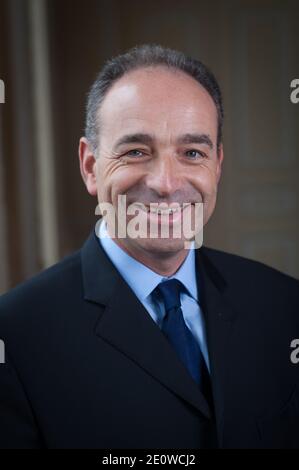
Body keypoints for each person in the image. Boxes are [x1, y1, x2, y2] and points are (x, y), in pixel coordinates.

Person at [0, 44, 298, 449]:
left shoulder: (284, 304)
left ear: (217, 166)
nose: (166, 183)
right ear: (90, 166)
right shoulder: (15, 337)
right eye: (136, 151)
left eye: (192, 153)